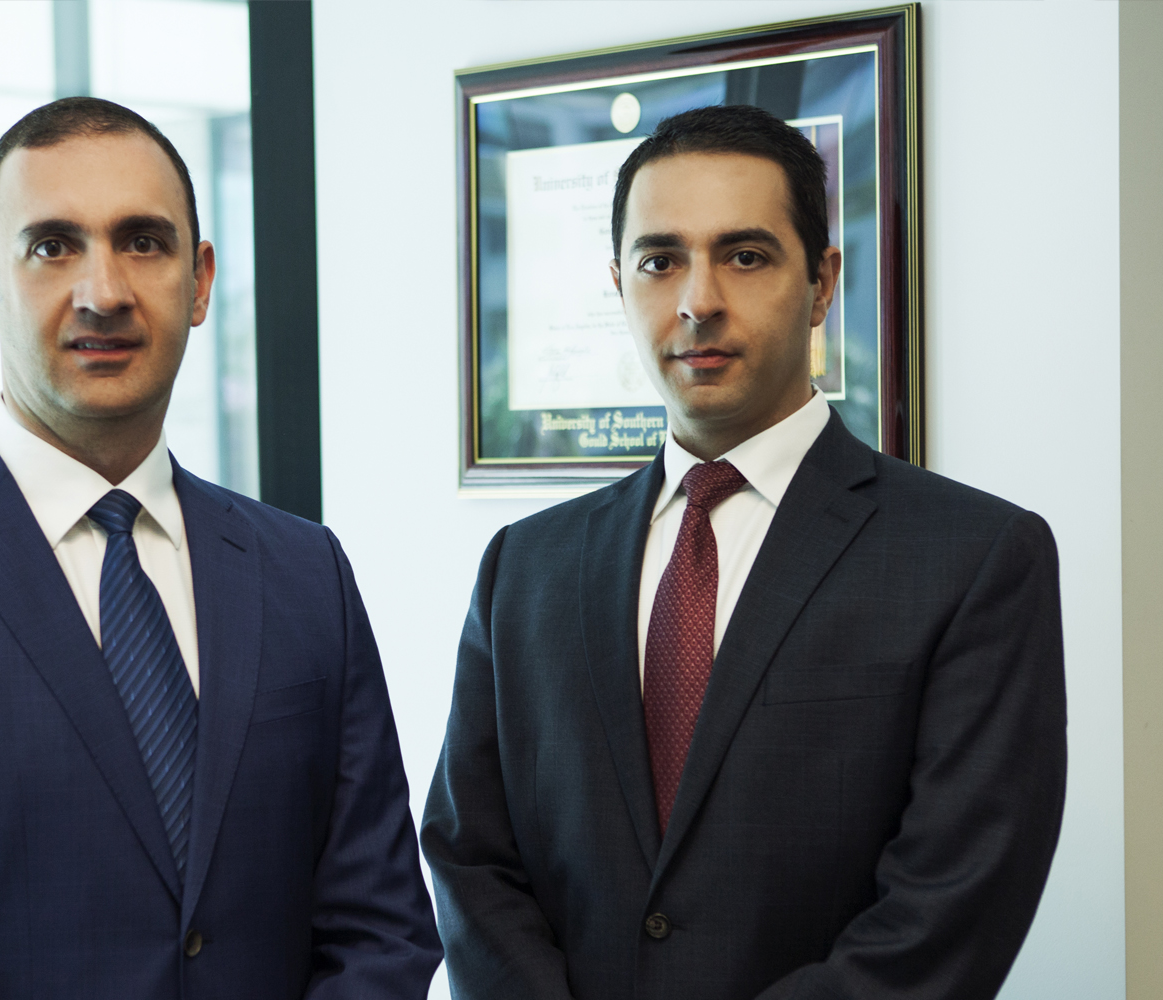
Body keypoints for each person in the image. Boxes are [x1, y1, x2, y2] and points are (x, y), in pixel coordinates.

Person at [0, 97, 441, 1000]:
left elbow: (382, 932)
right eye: (52, 246)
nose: (104, 292)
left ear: (200, 281)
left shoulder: (305, 571)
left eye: (143, 242)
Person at [421, 104, 1066, 1000]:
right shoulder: (524, 568)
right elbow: (471, 862)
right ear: (618, 285)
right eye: (660, 261)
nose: (699, 300)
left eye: (746, 255)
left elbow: (949, 909)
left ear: (823, 283)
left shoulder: (974, 558)